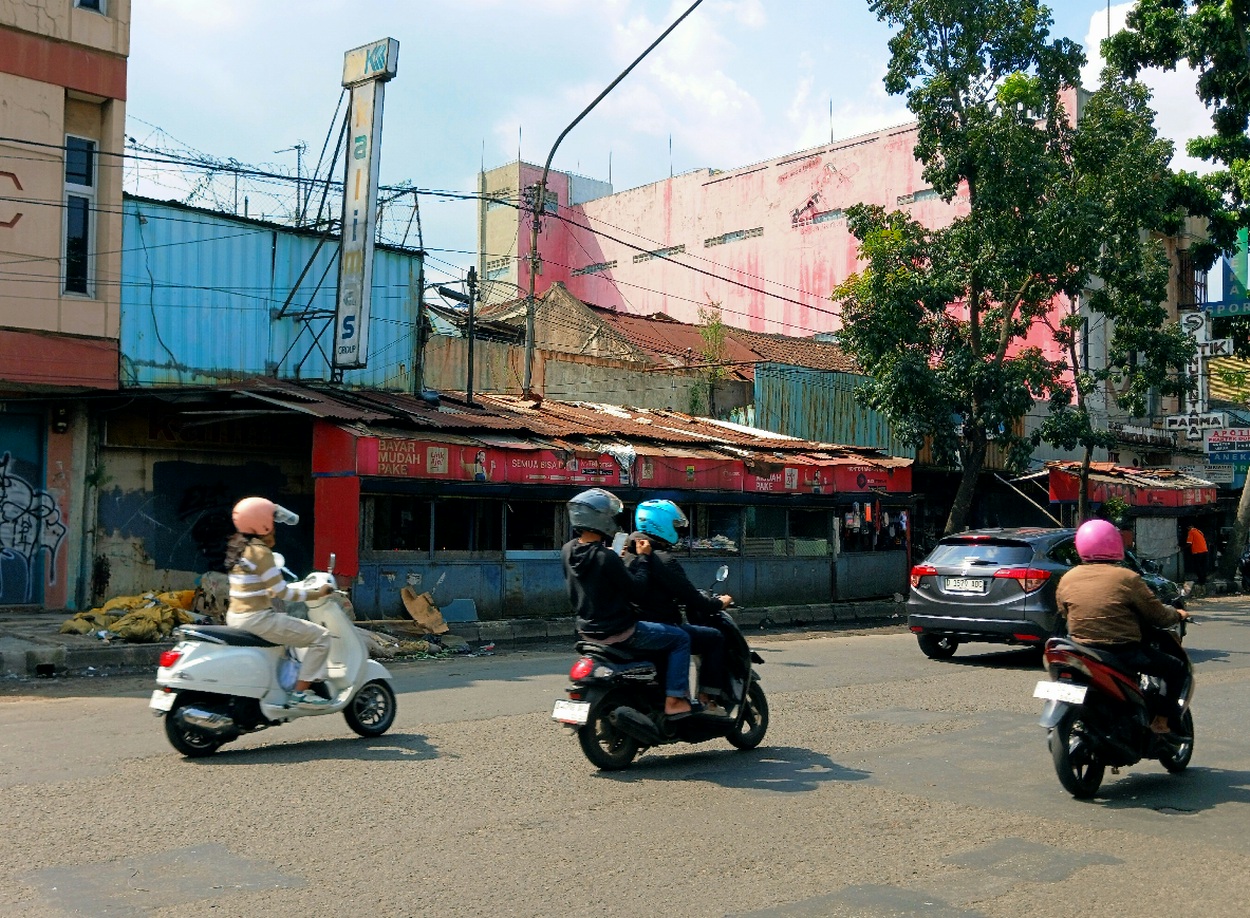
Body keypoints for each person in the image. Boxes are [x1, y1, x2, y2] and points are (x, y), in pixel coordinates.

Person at [561, 487, 701, 719]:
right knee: (680, 638)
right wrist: (644, 557)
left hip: (586, 631)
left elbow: (595, 576)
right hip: (619, 630)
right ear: (600, 519)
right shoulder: (606, 557)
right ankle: (676, 699)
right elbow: (637, 589)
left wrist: (615, 558)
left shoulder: (567, 551)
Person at [1055, 519, 1189, 735]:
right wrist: (1177, 614)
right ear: (1115, 544)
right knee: (1176, 668)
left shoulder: (1068, 578)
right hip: (1121, 651)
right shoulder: (1127, 578)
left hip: (1082, 649)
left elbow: (1064, 611)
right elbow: (1158, 616)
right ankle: (1161, 721)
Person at [225, 497, 336, 707]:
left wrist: (269, 590)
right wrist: (318, 593)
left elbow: (252, 585)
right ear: (262, 523)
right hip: (257, 619)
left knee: (289, 634)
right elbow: (283, 593)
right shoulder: (261, 552)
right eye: (272, 522)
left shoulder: (239, 547)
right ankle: (300, 694)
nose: (275, 528)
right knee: (321, 637)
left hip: (236, 617)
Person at [625, 499, 732, 715]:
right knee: (714, 638)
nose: (677, 531)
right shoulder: (663, 560)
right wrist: (719, 602)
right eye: (674, 525)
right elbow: (692, 598)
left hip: (631, 624)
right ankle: (706, 699)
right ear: (661, 524)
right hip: (659, 625)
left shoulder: (626, 554)